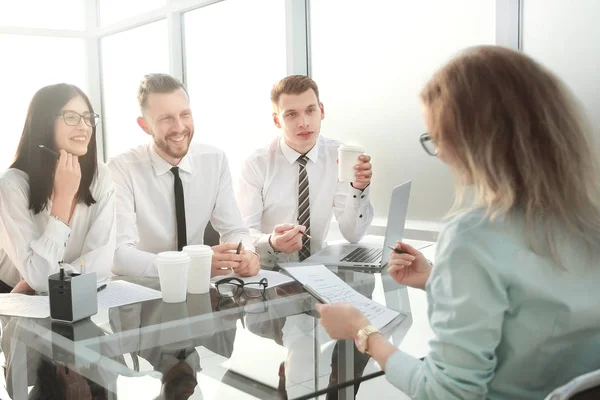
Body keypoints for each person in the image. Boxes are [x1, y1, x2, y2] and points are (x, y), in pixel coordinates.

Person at [316, 45, 600, 399]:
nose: (442, 155)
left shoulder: (473, 237)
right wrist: (438, 279)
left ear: (471, 141)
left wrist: (364, 332)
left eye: (436, 138)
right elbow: (543, 310)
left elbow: (445, 393)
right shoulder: (588, 218)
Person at [108, 74, 259, 278]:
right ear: (144, 125)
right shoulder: (121, 169)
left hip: (201, 289)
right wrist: (190, 265)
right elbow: (118, 256)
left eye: (184, 115)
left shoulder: (214, 160)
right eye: (166, 118)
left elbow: (235, 229)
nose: (179, 127)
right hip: (144, 289)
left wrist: (247, 253)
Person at [236, 75, 374, 266]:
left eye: (310, 110)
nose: (304, 122)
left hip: (321, 270)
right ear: (277, 120)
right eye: (291, 114)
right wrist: (272, 243)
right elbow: (241, 236)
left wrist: (359, 189)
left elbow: (353, 235)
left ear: (322, 111)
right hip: (270, 272)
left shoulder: (338, 156)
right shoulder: (257, 164)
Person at [0, 83, 115, 293]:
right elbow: (40, 279)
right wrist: (63, 198)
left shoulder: (101, 175)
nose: (84, 126)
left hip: (72, 294)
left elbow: (102, 265)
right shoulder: (11, 185)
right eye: (71, 117)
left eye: (88, 117)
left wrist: (53, 278)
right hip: (15, 298)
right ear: (44, 124)